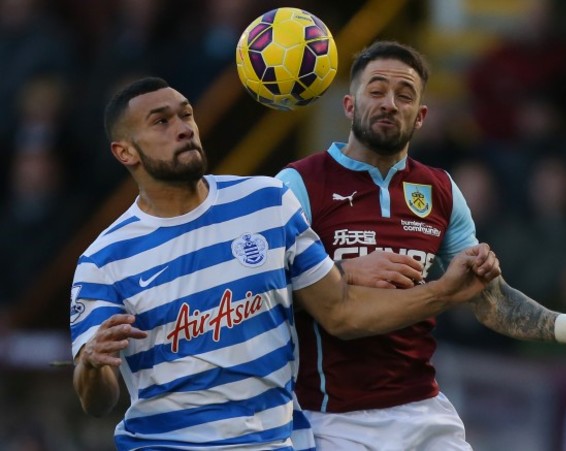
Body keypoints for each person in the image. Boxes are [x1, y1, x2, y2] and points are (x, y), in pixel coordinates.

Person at [68, 76, 503, 451]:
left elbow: (342, 311)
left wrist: (441, 291)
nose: (183, 128)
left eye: (186, 115)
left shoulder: (266, 202)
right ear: (125, 152)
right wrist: (91, 365)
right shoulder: (104, 261)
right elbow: (97, 401)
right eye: (161, 122)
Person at [276, 40, 566, 450]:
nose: (389, 103)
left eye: (405, 95)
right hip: (332, 418)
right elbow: (264, 290)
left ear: (421, 117)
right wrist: (341, 274)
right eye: (376, 90)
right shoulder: (298, 184)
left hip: (423, 410)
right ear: (349, 104)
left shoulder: (440, 189)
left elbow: (489, 298)